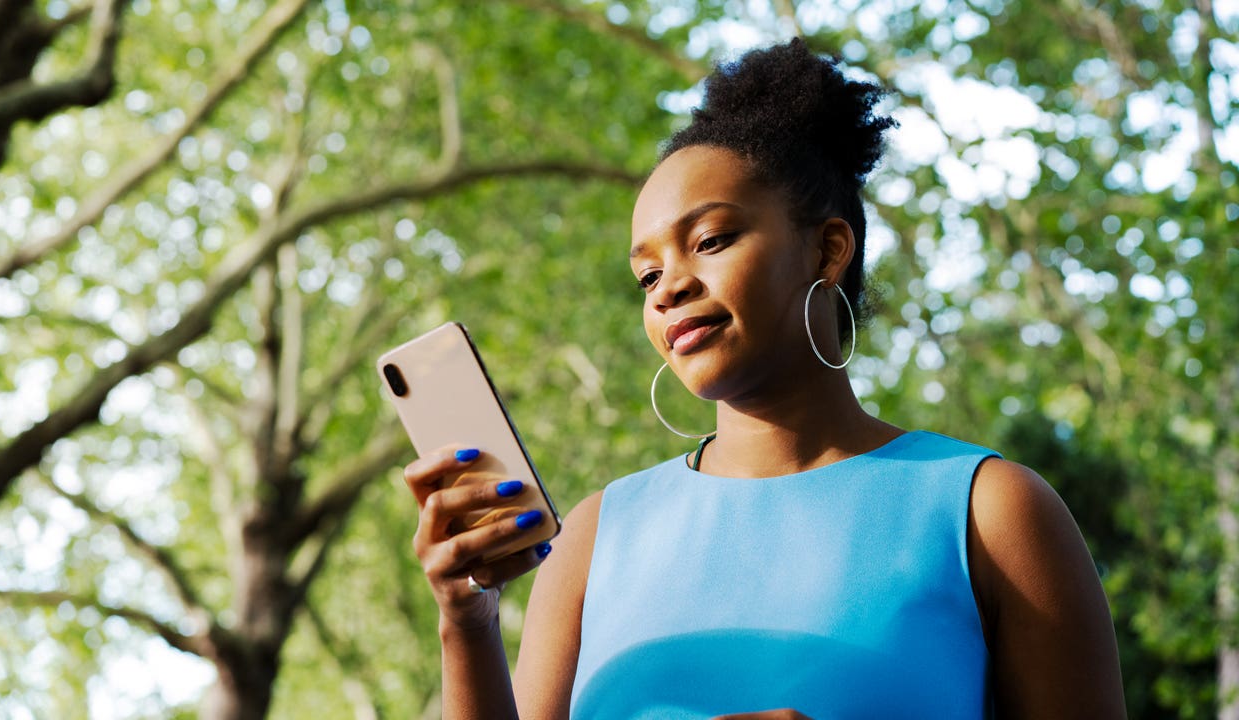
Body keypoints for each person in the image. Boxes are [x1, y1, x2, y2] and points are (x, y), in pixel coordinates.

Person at [402, 38, 1126, 719]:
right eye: (647, 273)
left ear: (828, 248)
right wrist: (465, 620)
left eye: (710, 240)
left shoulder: (991, 514)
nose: (667, 288)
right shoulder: (593, 537)